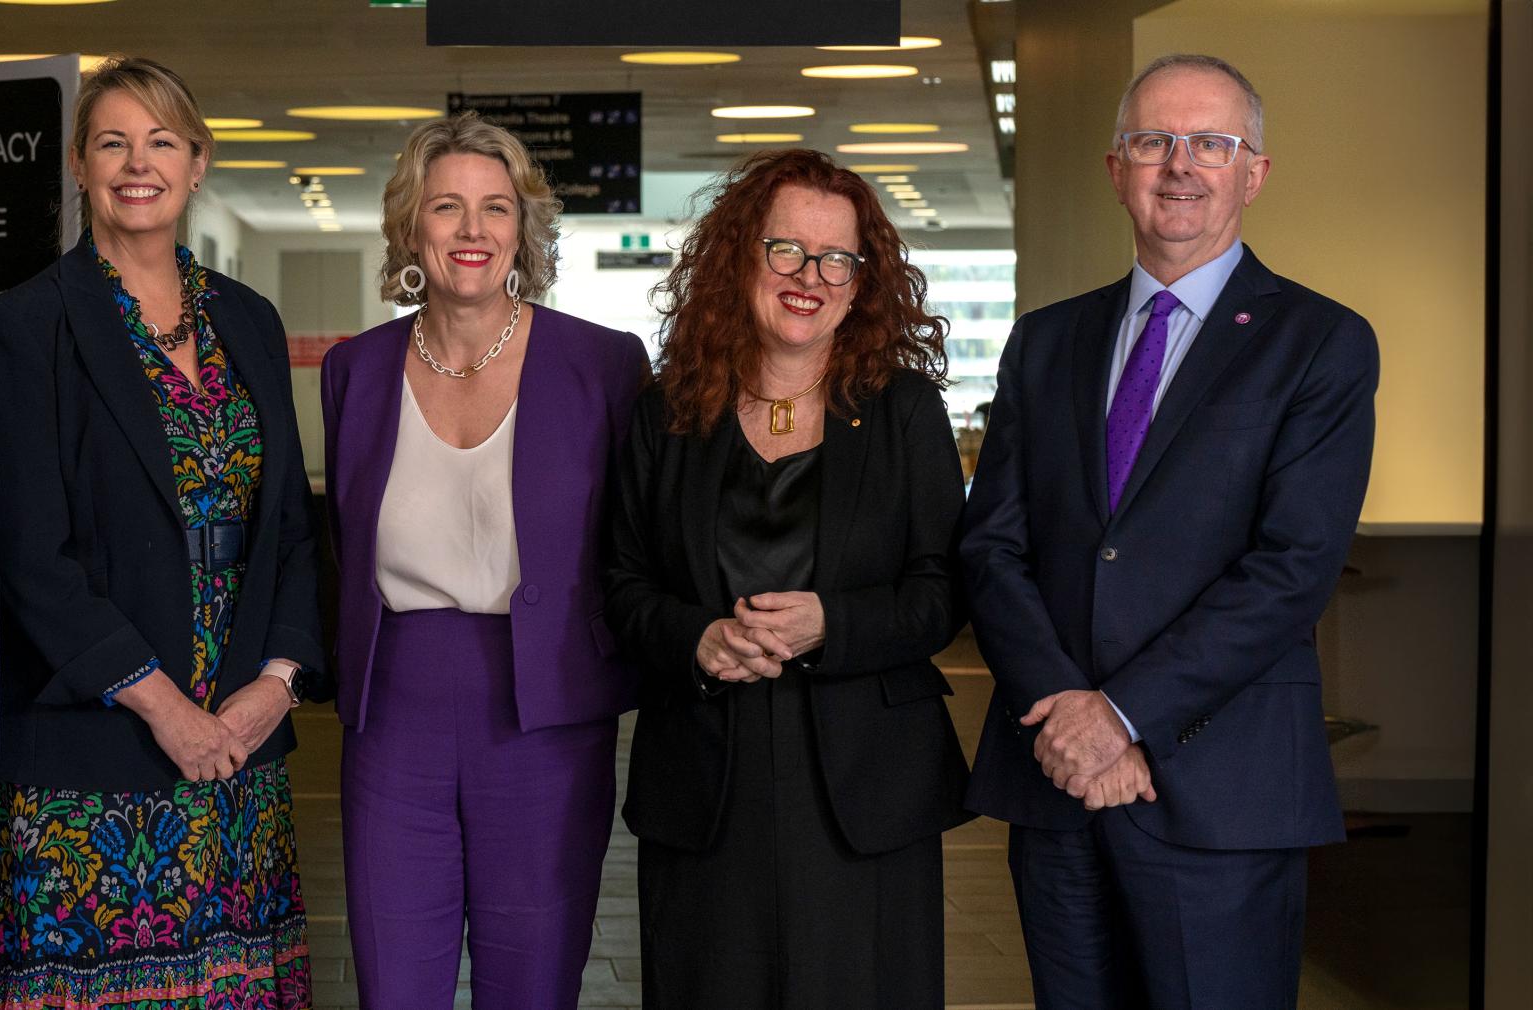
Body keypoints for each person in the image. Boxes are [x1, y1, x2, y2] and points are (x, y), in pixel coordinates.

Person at [959, 53, 1378, 1010]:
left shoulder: (1321, 342)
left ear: (1254, 172)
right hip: (1054, 781)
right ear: (1117, 169)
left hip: (1217, 790)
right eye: (1153, 141)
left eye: (1211, 144)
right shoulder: (1046, 339)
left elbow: (1293, 567)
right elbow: (993, 547)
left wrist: (1120, 716)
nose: (1179, 165)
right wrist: (1069, 712)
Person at [0, 56, 323, 1009]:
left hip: (239, 757)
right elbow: (31, 557)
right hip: (95, 760)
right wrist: (169, 712)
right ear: (79, 165)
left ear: (198, 163)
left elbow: (287, 524)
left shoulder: (247, 319)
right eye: (112, 142)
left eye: (161, 141)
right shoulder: (28, 325)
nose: (137, 162)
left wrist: (274, 690)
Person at [605, 147, 971, 1008]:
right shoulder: (666, 413)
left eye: (837, 257)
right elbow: (620, 583)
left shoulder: (907, 411)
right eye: (787, 251)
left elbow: (942, 592)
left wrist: (829, 624)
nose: (811, 275)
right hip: (705, 784)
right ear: (740, 258)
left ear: (862, 280)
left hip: (864, 790)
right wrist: (696, 637)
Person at [320, 112, 647, 1008]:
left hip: (546, 711)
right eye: (447, 207)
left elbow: (638, 540)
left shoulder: (605, 365)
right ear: (410, 227)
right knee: (396, 979)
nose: (472, 231)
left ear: (523, 230)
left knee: (533, 981)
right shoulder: (357, 369)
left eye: (495, 209)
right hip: (395, 711)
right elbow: (341, 548)